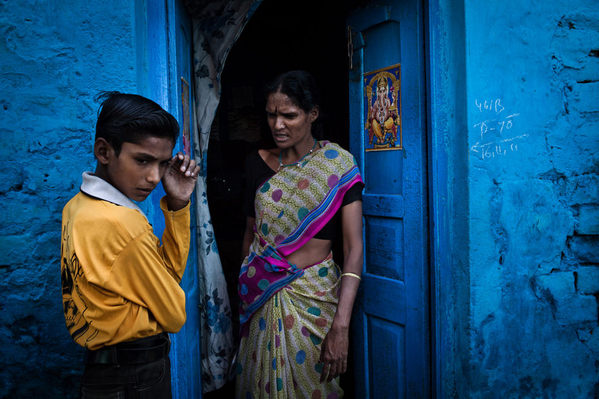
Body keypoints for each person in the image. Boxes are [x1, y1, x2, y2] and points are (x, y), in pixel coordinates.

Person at [60, 92, 200, 398]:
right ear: (104, 151)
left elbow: (165, 278)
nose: (153, 177)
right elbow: (175, 313)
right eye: (142, 160)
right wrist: (158, 303)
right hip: (136, 375)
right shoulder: (122, 223)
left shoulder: (77, 206)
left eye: (163, 164)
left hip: (104, 371)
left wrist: (177, 205)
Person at [235, 70, 364, 398]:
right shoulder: (255, 163)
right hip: (261, 295)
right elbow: (250, 232)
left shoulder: (336, 166)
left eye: (289, 115)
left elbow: (354, 249)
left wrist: (342, 325)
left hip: (313, 301)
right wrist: (246, 291)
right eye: (271, 114)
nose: (278, 125)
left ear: (313, 114)